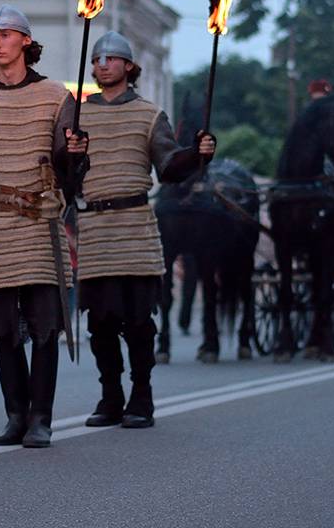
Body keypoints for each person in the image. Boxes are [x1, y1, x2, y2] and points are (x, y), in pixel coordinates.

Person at [0, 5, 87, 450]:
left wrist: (76, 151)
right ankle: (15, 415)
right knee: (3, 329)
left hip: (40, 224)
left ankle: (41, 418)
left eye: (8, 34)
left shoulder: (57, 96)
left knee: (44, 326)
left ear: (26, 41)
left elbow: (70, 169)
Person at [73, 32, 216, 429]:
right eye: (97, 59)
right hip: (95, 230)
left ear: (128, 67)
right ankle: (110, 395)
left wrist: (196, 154)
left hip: (135, 228)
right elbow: (66, 174)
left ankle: (141, 394)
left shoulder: (150, 115)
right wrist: (68, 155)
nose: (102, 64)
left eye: (111, 58)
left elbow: (169, 167)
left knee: (137, 321)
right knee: (99, 322)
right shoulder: (78, 116)